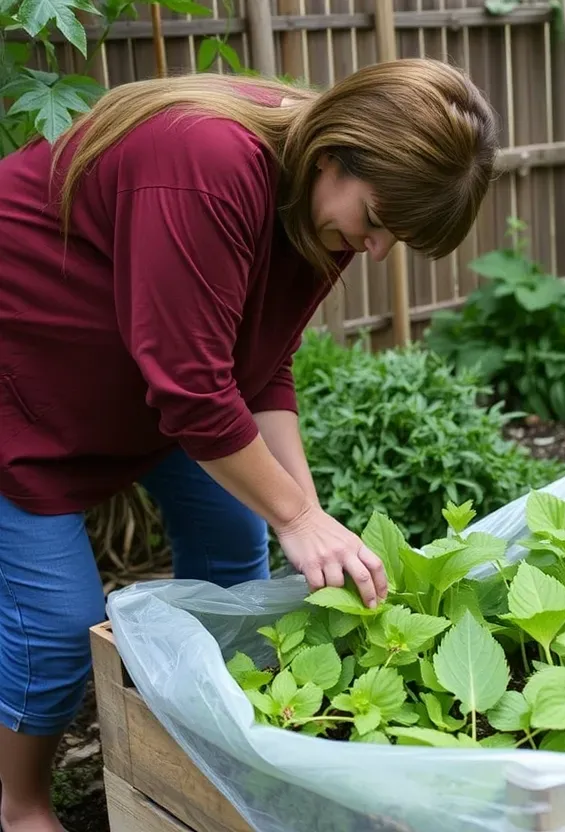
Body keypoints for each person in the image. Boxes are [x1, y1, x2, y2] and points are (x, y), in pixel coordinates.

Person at [0, 58, 498, 832]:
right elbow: (195, 390)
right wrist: (297, 519)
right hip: (23, 371)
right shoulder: (208, 163)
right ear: (339, 156)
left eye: (391, 238)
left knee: (238, 550)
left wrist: (308, 516)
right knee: (60, 626)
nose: (372, 251)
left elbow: (260, 367)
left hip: (149, 377)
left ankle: (201, 754)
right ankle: (23, 804)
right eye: (376, 222)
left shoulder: (318, 198)